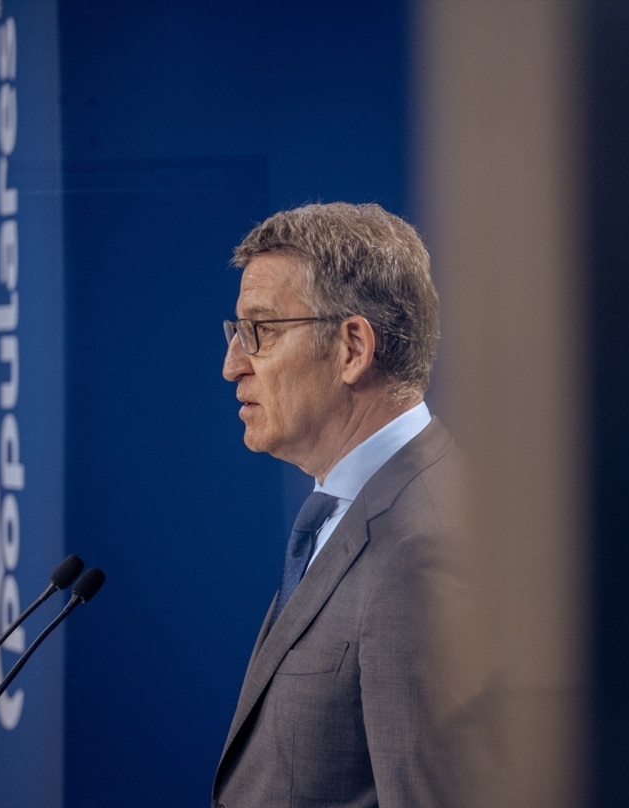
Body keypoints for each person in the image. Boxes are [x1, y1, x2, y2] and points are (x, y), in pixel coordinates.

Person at [212, 202, 469, 808]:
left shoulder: (422, 547)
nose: (232, 366)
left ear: (353, 347)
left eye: (260, 331)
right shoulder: (346, 511)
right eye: (235, 332)